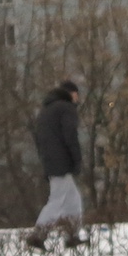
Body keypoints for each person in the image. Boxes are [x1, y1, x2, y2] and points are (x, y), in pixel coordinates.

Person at [29, 78, 83, 243]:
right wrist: (76, 159)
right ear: (71, 94)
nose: (78, 98)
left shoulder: (46, 111)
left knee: (73, 199)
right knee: (57, 199)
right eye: (76, 94)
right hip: (62, 161)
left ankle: (72, 234)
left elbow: (38, 139)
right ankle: (39, 234)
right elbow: (70, 135)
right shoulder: (66, 108)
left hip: (50, 160)